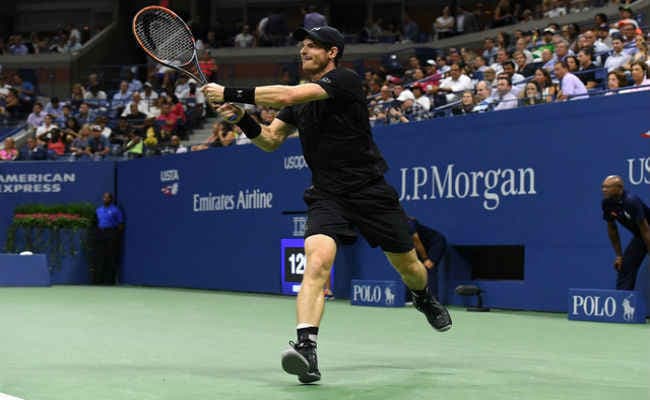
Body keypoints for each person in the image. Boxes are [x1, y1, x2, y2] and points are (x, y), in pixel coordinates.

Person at [202, 25, 452, 384]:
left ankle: (422, 297)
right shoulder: (299, 103)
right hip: (327, 194)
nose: (303, 51)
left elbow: (287, 95)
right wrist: (242, 118)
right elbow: (270, 139)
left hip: (369, 190)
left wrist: (230, 92)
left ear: (332, 52)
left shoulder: (345, 80)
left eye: (312, 46)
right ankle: (307, 350)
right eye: (301, 45)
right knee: (317, 263)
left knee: (409, 266)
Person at [601, 175, 650, 291]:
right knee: (626, 266)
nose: (604, 190)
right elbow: (612, 229)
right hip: (641, 236)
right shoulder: (607, 203)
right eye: (603, 187)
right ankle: (622, 300)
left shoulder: (631, 201)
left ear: (619, 188)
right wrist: (619, 255)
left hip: (647, 233)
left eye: (608, 187)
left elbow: (645, 230)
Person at [92, 192, 124, 285]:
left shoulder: (116, 210)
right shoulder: (98, 210)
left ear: (111, 199)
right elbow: (95, 222)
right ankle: (98, 280)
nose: (105, 199)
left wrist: (116, 235)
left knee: (111, 256)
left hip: (111, 233)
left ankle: (110, 281)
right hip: (100, 234)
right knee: (100, 256)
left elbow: (120, 224)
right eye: (104, 197)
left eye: (107, 198)